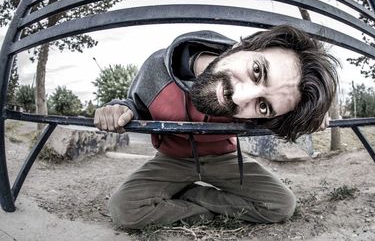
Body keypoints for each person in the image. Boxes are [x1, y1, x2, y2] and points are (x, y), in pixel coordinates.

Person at [94, 25, 339, 229]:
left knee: (281, 205)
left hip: (225, 159)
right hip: (172, 159)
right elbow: (135, 105)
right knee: (124, 209)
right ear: (240, 46)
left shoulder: (254, 109)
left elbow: (281, 123)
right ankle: (201, 211)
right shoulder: (156, 68)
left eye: (263, 105)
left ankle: (193, 194)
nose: (240, 98)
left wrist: (308, 119)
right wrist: (118, 108)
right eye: (256, 71)